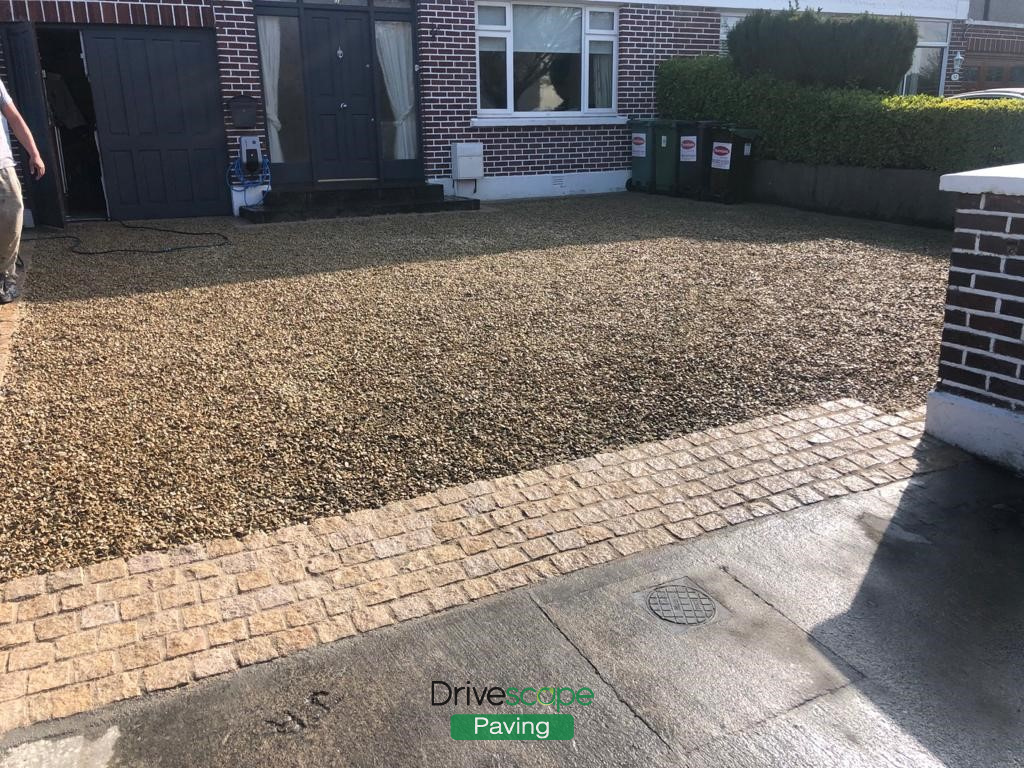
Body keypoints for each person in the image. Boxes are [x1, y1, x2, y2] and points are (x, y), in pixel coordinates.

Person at [1, 76, 46, 305]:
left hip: (1, 164)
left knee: (12, 214)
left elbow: (15, 118)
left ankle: (5, 276)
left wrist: (34, 153)